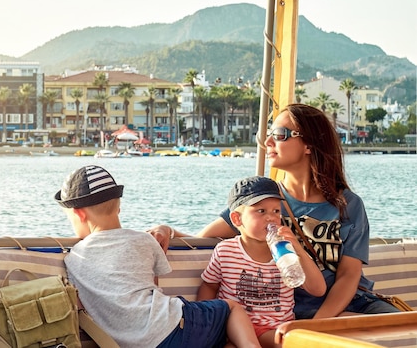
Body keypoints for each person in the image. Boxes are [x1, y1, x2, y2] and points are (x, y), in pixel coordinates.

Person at [149, 103, 400, 319]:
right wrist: (167, 231)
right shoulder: (261, 202)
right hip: (289, 311)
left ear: (309, 145)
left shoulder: (347, 204)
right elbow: (202, 239)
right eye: (268, 134)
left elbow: (348, 276)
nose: (267, 142)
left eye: (280, 134)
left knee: (403, 330)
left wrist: (318, 326)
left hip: (352, 304)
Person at [56, 165, 261, 348]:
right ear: (119, 207)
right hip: (175, 326)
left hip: (132, 343)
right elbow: (154, 287)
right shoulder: (145, 240)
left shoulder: (72, 260)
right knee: (232, 309)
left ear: (79, 214)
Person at [197, 176, 326, 347]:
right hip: (235, 328)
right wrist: (203, 324)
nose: (271, 218)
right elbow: (209, 285)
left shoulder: (286, 252)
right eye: (261, 211)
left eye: (276, 211)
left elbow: (318, 289)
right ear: (237, 219)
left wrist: (298, 249)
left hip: (277, 330)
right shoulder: (225, 251)